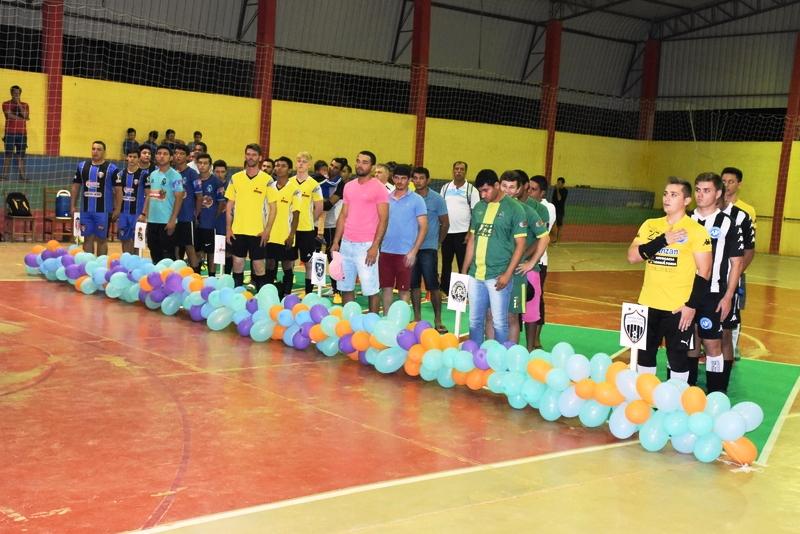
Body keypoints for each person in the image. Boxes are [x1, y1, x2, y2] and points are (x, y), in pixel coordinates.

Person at [626, 177, 712, 381]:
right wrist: (663, 240)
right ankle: (646, 396)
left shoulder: (697, 231)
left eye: (674, 195)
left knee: (677, 358)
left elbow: (705, 271)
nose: (667, 198)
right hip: (647, 304)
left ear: (687, 200)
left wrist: (691, 305)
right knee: (645, 356)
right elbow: (632, 257)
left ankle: (676, 398)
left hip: (677, 308)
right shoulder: (650, 225)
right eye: (665, 194)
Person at [688, 172, 744, 393]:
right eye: (698, 190)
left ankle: (716, 394)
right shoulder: (686, 220)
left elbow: (736, 263)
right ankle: (687, 390)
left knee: (712, 344)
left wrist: (728, 296)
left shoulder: (728, 223)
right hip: (685, 293)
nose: (700, 195)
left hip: (713, 294)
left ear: (718, 193)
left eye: (707, 190)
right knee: (688, 342)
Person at [461, 169, 527, 345]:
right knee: (474, 321)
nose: (483, 195)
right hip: (476, 275)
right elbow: (472, 240)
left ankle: (500, 357)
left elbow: (520, 245)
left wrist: (507, 274)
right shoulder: (479, 207)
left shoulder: (515, 209)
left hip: (498, 276)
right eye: (480, 191)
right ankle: (475, 353)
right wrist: (464, 271)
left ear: (497, 185)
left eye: (486, 190)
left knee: (499, 322)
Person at [494, 171, 549, 345]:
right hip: (499, 269)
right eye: (504, 186)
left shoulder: (529, 210)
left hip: (523, 270)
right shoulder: (491, 207)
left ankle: (529, 348)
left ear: (519, 189)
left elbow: (544, 237)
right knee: (499, 313)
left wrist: (529, 262)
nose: (507, 190)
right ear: (498, 185)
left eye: (512, 187)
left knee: (526, 312)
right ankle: (499, 349)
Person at [330, 150, 389, 313]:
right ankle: (349, 320)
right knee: (346, 287)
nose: (360, 165)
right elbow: (343, 215)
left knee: (371, 289)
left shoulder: (379, 188)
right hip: (346, 244)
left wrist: (375, 246)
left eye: (365, 162)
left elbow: (384, 219)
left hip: (367, 246)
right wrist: (336, 241)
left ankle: (372, 321)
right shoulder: (349, 186)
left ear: (372, 167)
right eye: (358, 161)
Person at [225, 143, 277, 290]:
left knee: (258, 265)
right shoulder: (235, 178)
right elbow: (229, 206)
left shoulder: (267, 180)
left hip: (258, 232)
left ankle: (261, 296)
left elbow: (273, 208)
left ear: (260, 158)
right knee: (237, 263)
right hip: (238, 230)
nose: (251, 157)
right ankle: (237, 295)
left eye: (254, 155)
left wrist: (267, 230)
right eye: (248, 154)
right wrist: (228, 229)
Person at [379, 164, 427, 314]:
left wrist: (413, 252)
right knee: (386, 289)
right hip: (386, 251)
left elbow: (424, 227)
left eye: (403, 178)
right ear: (392, 179)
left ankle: (402, 322)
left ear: (409, 180)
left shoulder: (417, 200)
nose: (400, 181)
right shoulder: (386, 198)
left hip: (405, 254)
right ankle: (387, 320)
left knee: (404, 291)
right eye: (397, 178)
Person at [720, 166, 756, 361]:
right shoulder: (712, 206)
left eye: (731, 181)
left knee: (734, 309)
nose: (726, 185)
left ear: (739, 184)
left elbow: (749, 246)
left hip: (736, 269)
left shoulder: (746, 211)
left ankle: (733, 346)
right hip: (714, 271)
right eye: (723, 181)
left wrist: (738, 271)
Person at [410, 166, 449, 333]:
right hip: (411, 249)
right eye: (415, 178)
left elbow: (445, 223)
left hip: (429, 249)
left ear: (428, 180)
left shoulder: (437, 199)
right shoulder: (409, 197)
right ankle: (417, 318)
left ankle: (438, 319)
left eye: (421, 178)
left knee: (433, 285)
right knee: (413, 285)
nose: (418, 181)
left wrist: (437, 242)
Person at [70, 141, 118, 256]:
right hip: (86, 210)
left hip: (103, 211)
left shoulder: (112, 168)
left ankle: (100, 264)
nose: (95, 151)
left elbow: (118, 190)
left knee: (101, 239)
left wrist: (117, 208)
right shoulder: (82, 166)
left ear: (104, 152)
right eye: (93, 149)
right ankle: (89, 264)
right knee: (87, 238)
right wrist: (72, 206)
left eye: (98, 149)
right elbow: (76, 187)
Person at [440, 161, 479, 297]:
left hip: (463, 234)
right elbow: (441, 210)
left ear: (465, 172)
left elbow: (476, 213)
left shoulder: (471, 190)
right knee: (446, 263)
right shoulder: (445, 188)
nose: (458, 171)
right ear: (453, 170)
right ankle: (444, 290)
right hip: (447, 233)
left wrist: (470, 232)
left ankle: (464, 293)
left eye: (462, 169)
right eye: (456, 169)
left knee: (463, 263)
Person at [526, 175, 556, 349]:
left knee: (537, 299)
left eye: (534, 189)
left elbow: (541, 235)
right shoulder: (525, 205)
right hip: (524, 261)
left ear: (542, 193)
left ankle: (536, 338)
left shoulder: (548, 208)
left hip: (539, 261)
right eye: (528, 188)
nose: (530, 192)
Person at [141, 145, 185, 264]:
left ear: (171, 158)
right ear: (155, 156)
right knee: (154, 251)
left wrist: (172, 220)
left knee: (168, 255)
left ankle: (169, 275)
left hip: (166, 221)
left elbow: (179, 198)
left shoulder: (175, 175)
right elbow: (150, 195)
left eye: (165, 154)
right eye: (159, 153)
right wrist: (144, 214)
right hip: (152, 221)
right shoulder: (153, 174)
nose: (161, 156)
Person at [289, 151, 324, 295]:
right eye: (298, 161)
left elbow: (319, 207)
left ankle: (308, 293)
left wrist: (310, 220)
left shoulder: (314, 185)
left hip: (306, 230)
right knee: (289, 261)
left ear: (309, 165)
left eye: (304, 161)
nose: (300, 164)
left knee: (308, 262)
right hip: (290, 229)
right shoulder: (289, 182)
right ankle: (287, 290)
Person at [266, 156, 300, 299]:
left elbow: (296, 214)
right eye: (277, 165)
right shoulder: (269, 187)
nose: (279, 168)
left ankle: (287, 295)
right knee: (270, 264)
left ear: (290, 170)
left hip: (285, 235)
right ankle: (269, 293)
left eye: (283, 166)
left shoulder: (295, 190)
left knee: (287, 265)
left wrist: (291, 235)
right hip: (270, 235)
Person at [112, 146, 149, 254]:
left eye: (135, 157)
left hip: (137, 214)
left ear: (139, 158)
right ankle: (126, 260)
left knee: (137, 241)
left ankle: (135, 261)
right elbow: (116, 193)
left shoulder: (144, 175)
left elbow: (149, 195)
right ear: (126, 158)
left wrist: (144, 213)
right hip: (123, 214)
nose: (132, 159)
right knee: (124, 240)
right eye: (130, 156)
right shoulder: (120, 175)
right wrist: (116, 209)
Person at [172, 144, 202, 271]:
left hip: (186, 217)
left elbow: (199, 197)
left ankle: (195, 273)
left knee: (189, 246)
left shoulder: (192, 174)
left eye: (182, 154)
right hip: (172, 217)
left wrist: (195, 214)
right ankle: (176, 273)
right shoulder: (171, 173)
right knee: (175, 246)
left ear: (187, 157)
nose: (178, 156)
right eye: (176, 153)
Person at [195, 153, 226, 277]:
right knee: (197, 251)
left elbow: (222, 203)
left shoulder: (216, 182)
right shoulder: (194, 179)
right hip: (196, 222)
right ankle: (196, 275)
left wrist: (214, 217)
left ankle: (211, 276)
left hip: (209, 224)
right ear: (196, 164)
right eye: (200, 163)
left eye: (205, 163)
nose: (202, 165)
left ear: (210, 166)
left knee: (211, 252)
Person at [321, 157, 347, 297]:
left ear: (341, 170)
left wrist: (317, 201)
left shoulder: (341, 185)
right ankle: (335, 287)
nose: (332, 168)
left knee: (334, 256)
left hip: (333, 225)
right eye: (331, 165)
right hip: (322, 224)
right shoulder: (322, 181)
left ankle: (338, 288)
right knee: (325, 256)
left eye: (336, 167)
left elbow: (328, 205)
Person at [1, 85, 29, 181]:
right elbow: (9, 115)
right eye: (14, 93)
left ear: (20, 94)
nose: (16, 95)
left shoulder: (25, 105)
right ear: (11, 93)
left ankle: (22, 177)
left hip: (22, 134)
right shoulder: (6, 104)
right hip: (10, 133)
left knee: (21, 156)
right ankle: (4, 176)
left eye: (18, 93)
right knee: (8, 154)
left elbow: (25, 115)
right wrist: (22, 119)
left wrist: (18, 104)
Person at [212, 159, 233, 275]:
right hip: (212, 223)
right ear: (213, 171)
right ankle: (212, 276)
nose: (219, 174)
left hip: (227, 224)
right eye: (217, 172)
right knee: (212, 252)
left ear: (226, 172)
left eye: (222, 172)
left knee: (228, 252)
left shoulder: (231, 186)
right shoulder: (209, 183)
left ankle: (227, 275)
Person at [550, 177, 568, 243]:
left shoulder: (565, 191)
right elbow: (553, 199)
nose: (558, 184)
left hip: (560, 211)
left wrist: (557, 189)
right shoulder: (555, 190)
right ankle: (553, 239)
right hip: (554, 210)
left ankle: (558, 240)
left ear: (563, 184)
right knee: (552, 224)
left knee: (559, 226)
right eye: (557, 182)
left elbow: (559, 198)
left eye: (559, 183)